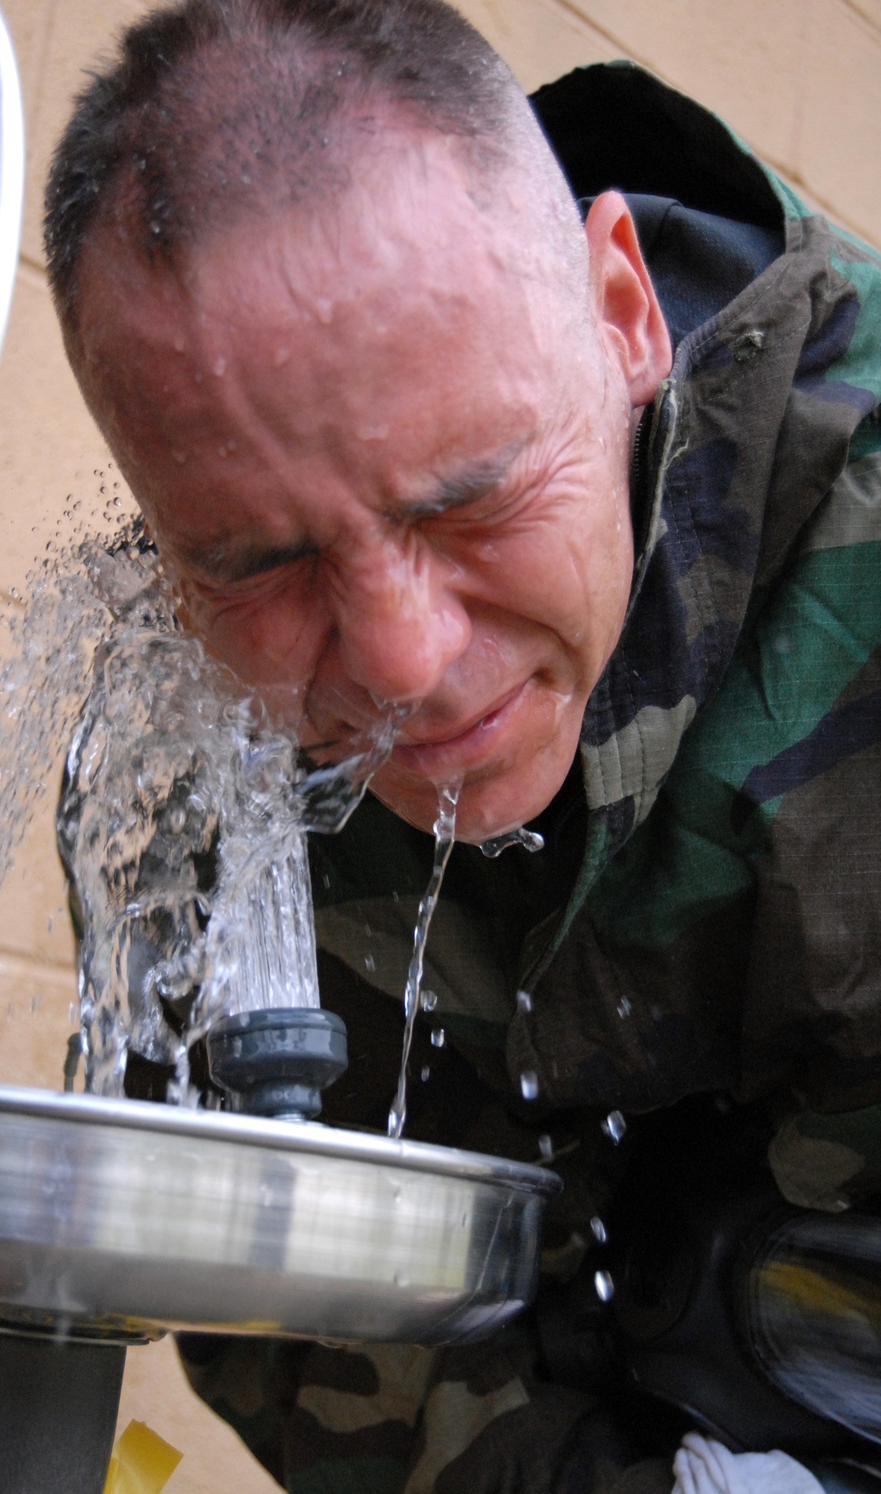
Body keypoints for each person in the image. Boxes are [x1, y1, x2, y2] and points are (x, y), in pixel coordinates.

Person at [45, 1, 881, 1489]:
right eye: (260, 563)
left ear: (621, 311)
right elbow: (291, 1308)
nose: (405, 665)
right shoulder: (174, 741)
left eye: (468, 499)